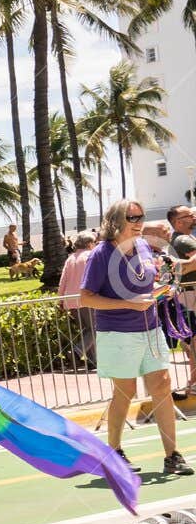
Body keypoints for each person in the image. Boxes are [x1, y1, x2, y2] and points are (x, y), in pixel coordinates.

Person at [80, 199, 193, 477]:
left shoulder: (143, 245)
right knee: (125, 392)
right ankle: (114, 452)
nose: (139, 222)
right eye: (132, 217)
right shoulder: (102, 253)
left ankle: (172, 455)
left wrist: (160, 289)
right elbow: (86, 297)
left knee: (162, 386)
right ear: (116, 220)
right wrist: (130, 304)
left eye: (141, 216)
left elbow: (150, 278)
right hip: (118, 332)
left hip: (150, 329)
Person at [165, 206, 196, 396]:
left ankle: (193, 382)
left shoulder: (180, 239)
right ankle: (193, 383)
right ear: (178, 222)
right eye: (188, 215)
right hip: (191, 295)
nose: (193, 216)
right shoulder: (184, 240)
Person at [58, 230, 98, 368]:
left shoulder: (70, 258)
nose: (95, 245)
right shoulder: (90, 256)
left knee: (88, 330)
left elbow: (63, 280)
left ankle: (93, 361)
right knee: (94, 329)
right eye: (94, 242)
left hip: (71, 300)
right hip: (86, 298)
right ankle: (77, 351)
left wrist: (60, 300)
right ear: (88, 243)